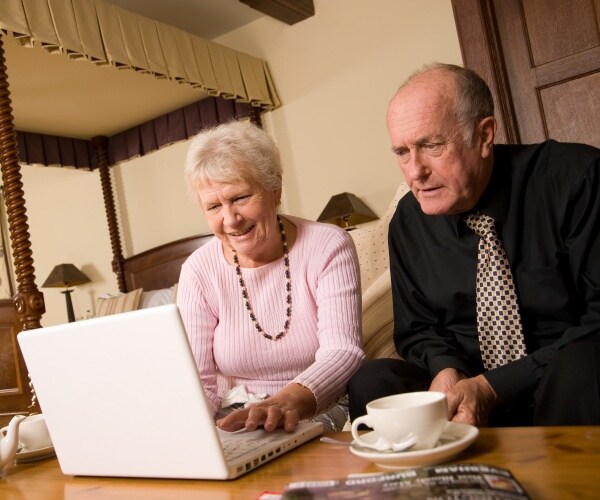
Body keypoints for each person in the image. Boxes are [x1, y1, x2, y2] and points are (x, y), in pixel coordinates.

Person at [348, 63, 600, 426]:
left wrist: (495, 386)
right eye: (402, 152)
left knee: (583, 366)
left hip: (559, 386)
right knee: (374, 381)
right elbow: (418, 329)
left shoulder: (575, 180)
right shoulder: (409, 220)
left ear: (484, 135)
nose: (415, 171)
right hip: (465, 394)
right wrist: (446, 368)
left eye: (431, 145)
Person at [177, 120, 365, 433]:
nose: (230, 220)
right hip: (235, 417)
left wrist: (286, 402)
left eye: (239, 198)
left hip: (313, 409)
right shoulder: (198, 270)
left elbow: (343, 351)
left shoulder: (327, 245)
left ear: (275, 189)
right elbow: (198, 380)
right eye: (213, 206)